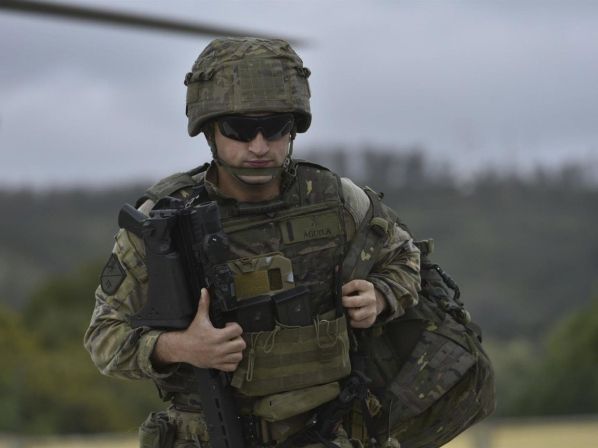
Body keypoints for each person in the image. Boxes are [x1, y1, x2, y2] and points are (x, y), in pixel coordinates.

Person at [84, 37, 421, 448]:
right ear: (209, 130)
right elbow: (104, 338)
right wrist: (180, 347)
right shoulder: (164, 225)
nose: (259, 146)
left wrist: (381, 295)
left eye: (275, 128)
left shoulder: (338, 200)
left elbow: (406, 259)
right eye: (240, 130)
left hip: (330, 432)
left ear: (293, 128)